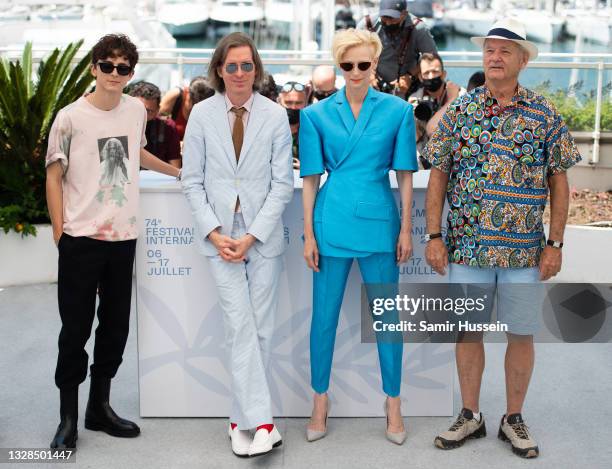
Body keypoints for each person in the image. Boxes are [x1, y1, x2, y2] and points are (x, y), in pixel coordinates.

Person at [422, 18, 581, 459]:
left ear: (523, 61)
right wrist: (434, 235)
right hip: (467, 247)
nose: (495, 57)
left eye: (505, 51)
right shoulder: (460, 111)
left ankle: (513, 418)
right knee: (468, 333)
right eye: (490, 49)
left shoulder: (544, 115)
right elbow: (438, 175)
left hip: (524, 252)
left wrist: (556, 243)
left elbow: (559, 181)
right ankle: (470, 415)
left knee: (522, 334)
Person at [45, 34, 180, 451]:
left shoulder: (136, 111)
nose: (115, 74)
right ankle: (68, 416)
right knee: (75, 329)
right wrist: (58, 231)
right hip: (81, 238)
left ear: (131, 74)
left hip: (124, 237)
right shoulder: (70, 116)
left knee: (116, 326)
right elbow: (53, 175)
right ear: (94, 68)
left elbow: (135, 154)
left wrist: (180, 173)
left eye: (123, 68)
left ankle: (98, 407)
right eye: (108, 66)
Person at [300, 28, 417, 445]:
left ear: (375, 64)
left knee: (387, 317)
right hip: (330, 222)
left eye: (363, 65)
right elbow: (311, 178)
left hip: (379, 222)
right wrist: (308, 234)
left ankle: (394, 401)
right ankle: (319, 399)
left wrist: (406, 227)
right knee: (323, 318)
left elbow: (404, 173)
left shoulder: (397, 112)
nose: (355, 72)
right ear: (338, 65)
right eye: (346, 65)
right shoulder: (314, 115)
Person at [181, 32, 293, 457]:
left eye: (247, 65)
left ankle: (239, 420)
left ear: (257, 69)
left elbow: (282, 184)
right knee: (239, 325)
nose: (241, 73)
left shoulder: (275, 116)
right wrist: (215, 232)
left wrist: (251, 236)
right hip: (220, 237)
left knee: (260, 329)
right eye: (232, 66)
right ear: (219, 70)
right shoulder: (202, 115)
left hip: (259, 238)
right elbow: (191, 181)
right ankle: (263, 422)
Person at [357, 0, 437, 98]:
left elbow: (432, 59)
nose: (388, 23)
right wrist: (369, 74)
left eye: (393, 18)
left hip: (408, 89)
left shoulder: (419, 28)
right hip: (372, 86)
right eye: (385, 17)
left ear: (404, 14)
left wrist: (410, 76)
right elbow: (354, 56)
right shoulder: (366, 25)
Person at [408, 53, 465, 154]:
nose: (431, 76)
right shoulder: (415, 98)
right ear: (421, 77)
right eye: (426, 73)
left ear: (443, 74)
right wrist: (411, 118)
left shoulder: (460, 95)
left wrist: (452, 101)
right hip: (424, 156)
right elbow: (413, 139)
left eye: (435, 72)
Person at [129, 81, 181, 168]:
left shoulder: (168, 128)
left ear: (157, 110)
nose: (142, 115)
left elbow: (175, 166)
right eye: (138, 109)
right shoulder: (118, 125)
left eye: (148, 111)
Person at [159, 76, 214, 141]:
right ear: (187, 91)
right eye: (193, 103)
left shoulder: (210, 109)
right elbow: (156, 126)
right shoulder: (175, 96)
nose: (193, 108)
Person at [278, 81, 310, 169]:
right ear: (279, 101)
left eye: (298, 103)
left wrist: (306, 166)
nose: (293, 107)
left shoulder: (313, 129)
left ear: (306, 103)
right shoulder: (267, 128)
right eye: (288, 102)